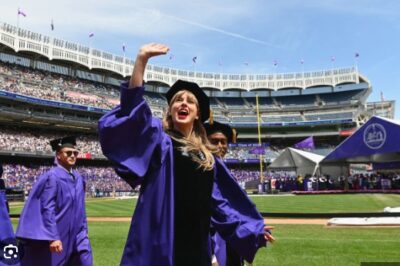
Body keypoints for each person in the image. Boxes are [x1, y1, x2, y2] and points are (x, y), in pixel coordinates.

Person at [98, 43, 274, 266]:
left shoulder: (208, 158)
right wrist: (141, 61)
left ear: (198, 114)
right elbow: (133, 116)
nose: (183, 103)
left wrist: (251, 231)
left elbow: (221, 205)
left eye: (190, 101)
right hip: (162, 240)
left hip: (197, 245)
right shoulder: (159, 140)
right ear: (170, 110)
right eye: (178, 101)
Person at [16, 136, 92, 266]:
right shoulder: (53, 177)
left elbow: (81, 208)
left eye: (75, 153)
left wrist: (84, 231)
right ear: (58, 155)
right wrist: (53, 237)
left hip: (78, 234)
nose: (73, 155)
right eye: (68, 153)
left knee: (85, 259)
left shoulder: (78, 178)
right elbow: (47, 208)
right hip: (60, 232)